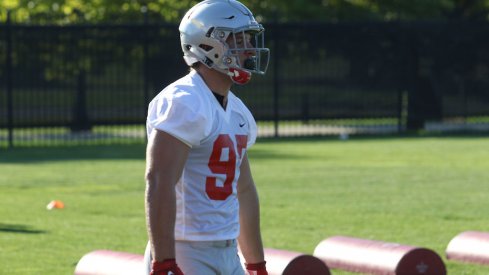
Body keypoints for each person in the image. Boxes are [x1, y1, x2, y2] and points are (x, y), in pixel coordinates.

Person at [143, 0, 270, 274]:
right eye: (239, 39)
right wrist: (164, 261)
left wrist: (256, 263)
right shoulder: (184, 101)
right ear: (209, 45)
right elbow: (159, 181)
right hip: (184, 249)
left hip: (227, 250)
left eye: (249, 38)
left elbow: (244, 190)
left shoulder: (238, 111)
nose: (249, 48)